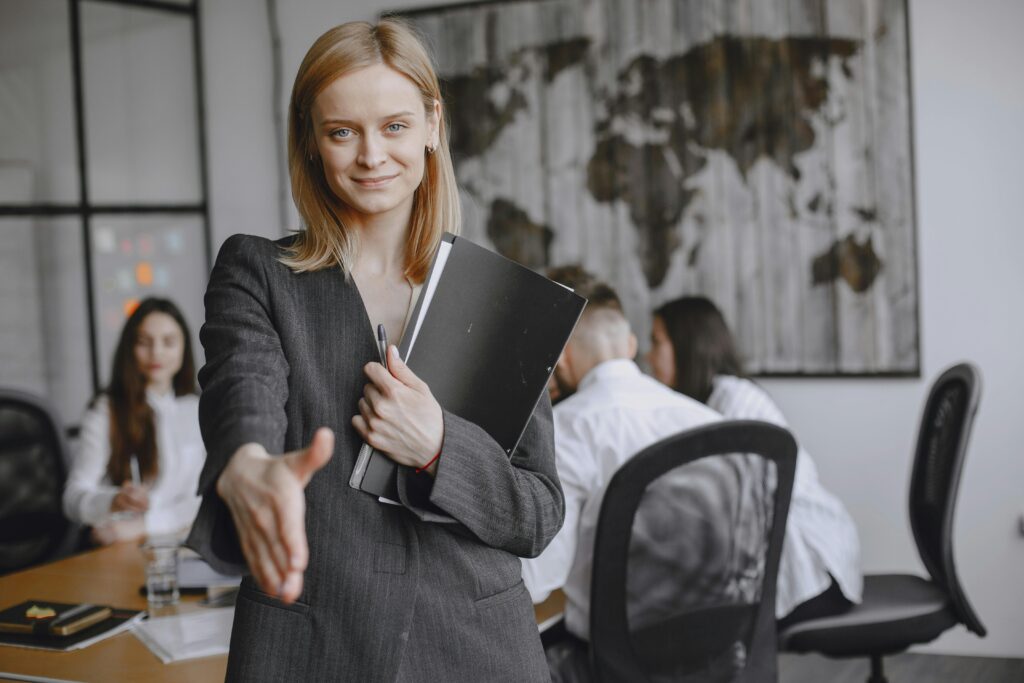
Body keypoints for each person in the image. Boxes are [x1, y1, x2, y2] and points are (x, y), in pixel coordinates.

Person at [185, 19, 563, 682]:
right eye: (341, 132)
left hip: (478, 649)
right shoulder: (260, 273)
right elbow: (240, 388)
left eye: (393, 125)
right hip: (317, 649)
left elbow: (536, 512)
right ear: (311, 141)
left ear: (432, 125)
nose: (371, 155)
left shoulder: (501, 298)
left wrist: (442, 445)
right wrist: (247, 464)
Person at [520, 273, 723, 639]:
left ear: (560, 356)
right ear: (629, 345)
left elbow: (537, 580)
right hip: (716, 637)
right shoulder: (709, 422)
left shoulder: (567, 429)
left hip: (613, 648)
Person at [648, 296, 863, 627]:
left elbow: (721, 514)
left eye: (656, 342)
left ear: (687, 344)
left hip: (812, 568)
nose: (647, 357)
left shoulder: (734, 401)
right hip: (793, 561)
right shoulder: (711, 402)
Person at [63, 297, 204, 545]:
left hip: (184, 543)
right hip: (123, 547)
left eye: (169, 342)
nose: (156, 352)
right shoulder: (107, 410)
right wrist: (113, 501)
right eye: (144, 342)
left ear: (184, 347)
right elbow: (73, 500)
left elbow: (207, 499)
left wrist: (147, 525)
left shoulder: (197, 408)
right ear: (129, 348)